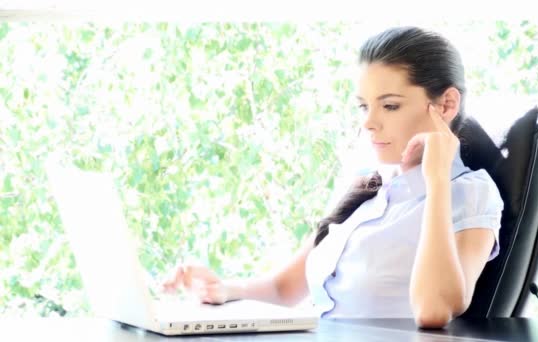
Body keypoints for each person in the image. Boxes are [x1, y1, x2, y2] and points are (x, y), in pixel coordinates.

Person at [161, 26, 504, 329]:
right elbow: (285, 289)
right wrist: (222, 290)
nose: (368, 122)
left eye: (390, 106)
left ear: (445, 105)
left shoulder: (472, 194)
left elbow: (433, 311)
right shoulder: (367, 186)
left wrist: (437, 180)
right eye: (363, 106)